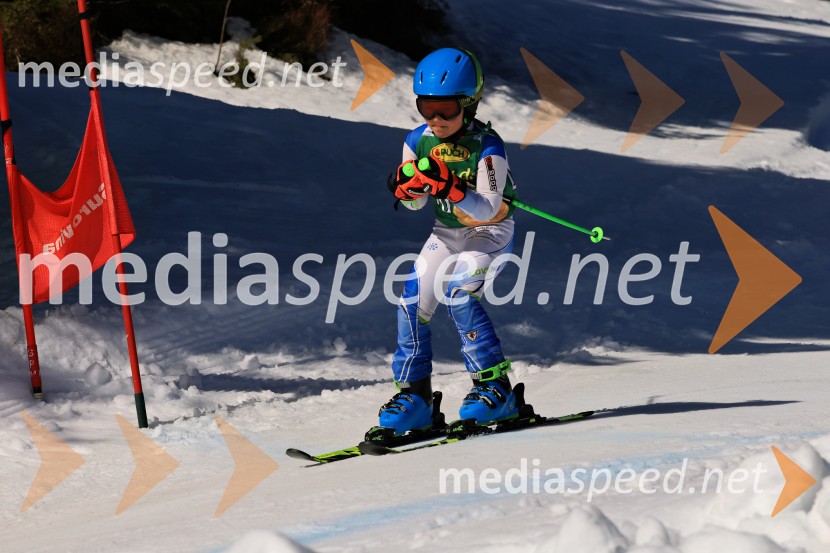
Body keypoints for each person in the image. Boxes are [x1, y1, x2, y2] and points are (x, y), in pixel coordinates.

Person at [379, 47, 520, 435]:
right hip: (446, 233)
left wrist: (451, 187)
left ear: (469, 104)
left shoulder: (488, 146)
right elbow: (415, 204)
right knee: (410, 303)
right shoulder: (417, 140)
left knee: (460, 295)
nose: (436, 119)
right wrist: (408, 192)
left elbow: (488, 207)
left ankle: (496, 389)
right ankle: (416, 397)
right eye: (427, 108)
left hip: (488, 232)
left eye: (446, 109)